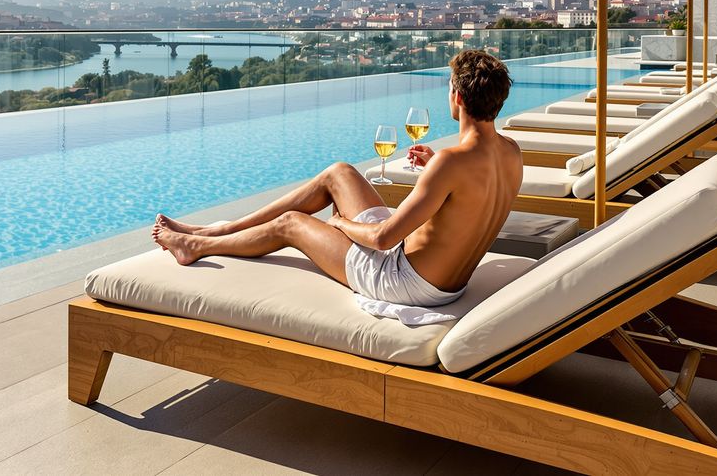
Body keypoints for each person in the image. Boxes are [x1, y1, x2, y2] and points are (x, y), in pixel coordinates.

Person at [152, 49, 522, 312]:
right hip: (443, 282)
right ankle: (220, 229)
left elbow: (382, 238)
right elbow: (468, 203)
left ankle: (196, 247)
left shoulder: (451, 162)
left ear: (456, 96)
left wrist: (340, 223)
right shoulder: (510, 154)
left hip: (403, 283)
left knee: (291, 224)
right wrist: (435, 170)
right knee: (340, 172)